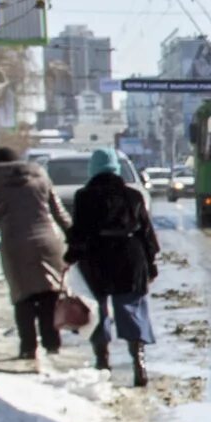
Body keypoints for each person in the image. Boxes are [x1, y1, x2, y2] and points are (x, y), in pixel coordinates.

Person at [71, 147, 160, 387]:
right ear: (116, 168)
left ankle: (102, 361)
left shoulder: (83, 196)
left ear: (93, 169)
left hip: (96, 258)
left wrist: (71, 257)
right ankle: (139, 363)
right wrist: (150, 263)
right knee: (131, 308)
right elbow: (147, 234)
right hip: (131, 257)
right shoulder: (133, 196)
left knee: (98, 310)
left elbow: (78, 233)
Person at [0, 146, 70, 366]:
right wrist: (75, 236)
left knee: (23, 297)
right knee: (50, 294)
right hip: (49, 242)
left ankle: (28, 347)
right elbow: (59, 212)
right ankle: (52, 343)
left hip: (15, 244)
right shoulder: (40, 174)